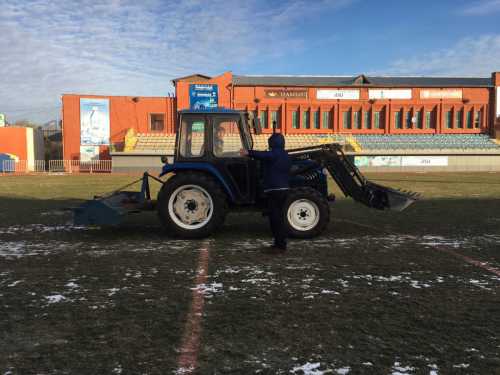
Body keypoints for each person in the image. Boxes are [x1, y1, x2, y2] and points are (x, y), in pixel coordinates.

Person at [240, 132, 291, 253]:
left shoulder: (274, 154)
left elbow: (262, 155)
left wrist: (248, 152)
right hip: (284, 190)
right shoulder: (286, 155)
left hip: (274, 190)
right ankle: (279, 243)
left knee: (275, 218)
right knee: (279, 217)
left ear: (272, 143)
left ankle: (280, 246)